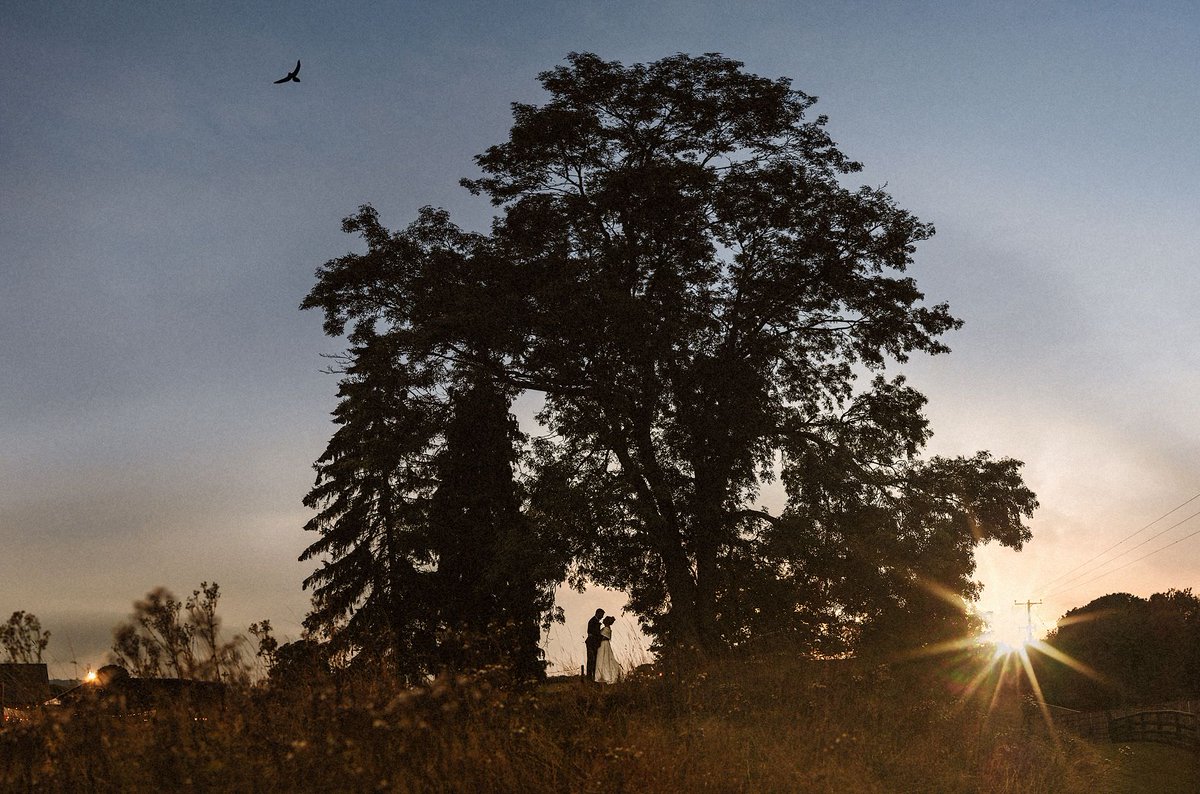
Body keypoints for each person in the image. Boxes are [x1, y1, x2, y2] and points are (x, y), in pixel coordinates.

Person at [594, 615, 620, 684]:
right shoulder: (606, 628)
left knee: (603, 658)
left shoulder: (606, 629)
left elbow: (603, 637)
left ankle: (605, 676)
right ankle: (602, 675)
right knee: (604, 658)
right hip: (604, 644)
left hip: (603, 644)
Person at [585, 608, 605, 681]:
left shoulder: (595, 621)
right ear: (598, 613)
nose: (602, 617)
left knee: (594, 660)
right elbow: (592, 632)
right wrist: (601, 636)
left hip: (594, 643)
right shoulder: (592, 621)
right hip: (591, 643)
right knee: (591, 660)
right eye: (602, 615)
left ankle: (593, 677)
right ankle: (590, 678)